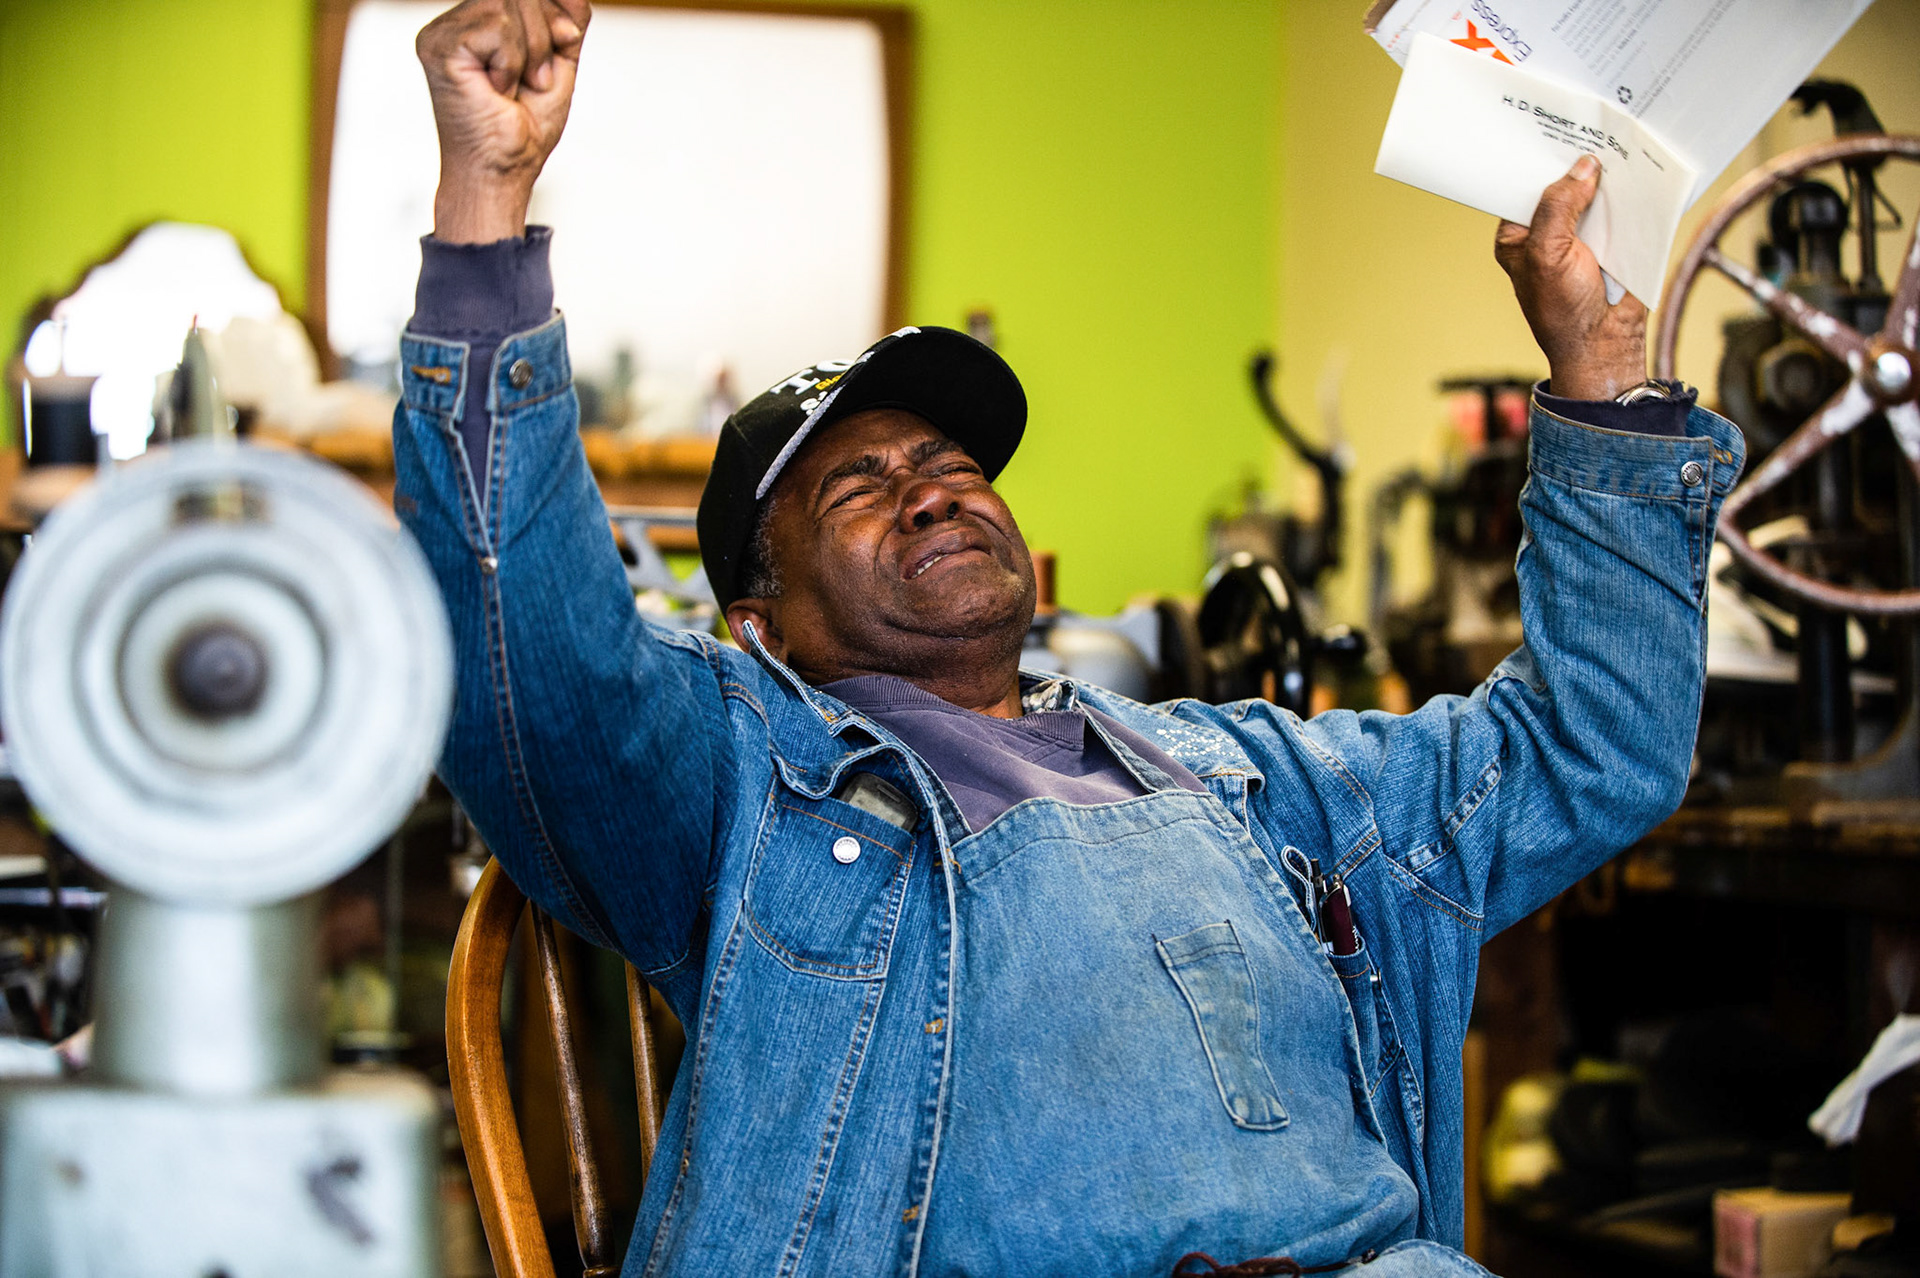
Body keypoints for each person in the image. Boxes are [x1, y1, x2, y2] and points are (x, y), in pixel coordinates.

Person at [396, 2, 1743, 1275]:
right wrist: (485, 208)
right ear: (759, 624)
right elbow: (534, 662)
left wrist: (1597, 377)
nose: (932, 485)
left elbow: (1593, 744)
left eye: (950, 462)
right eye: (854, 488)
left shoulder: (1254, 780)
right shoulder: (746, 790)